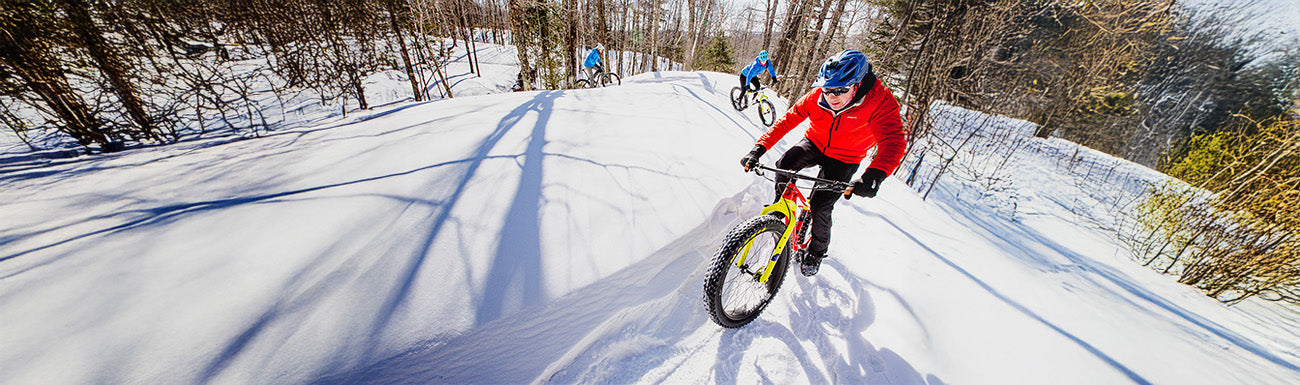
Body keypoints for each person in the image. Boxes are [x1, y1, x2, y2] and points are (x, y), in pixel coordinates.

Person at [739, 49, 907, 277]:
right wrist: (758, 149)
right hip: (815, 142)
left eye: (840, 90)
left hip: (846, 157)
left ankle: (817, 252)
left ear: (856, 85)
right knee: (784, 163)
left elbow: (893, 141)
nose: (832, 96)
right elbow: (787, 121)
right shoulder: (816, 96)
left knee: (821, 206)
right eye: (827, 90)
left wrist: (874, 175)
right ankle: (781, 210)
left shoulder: (879, 101)